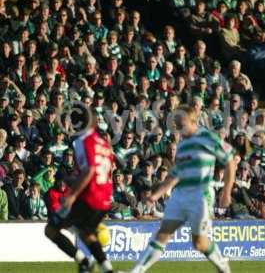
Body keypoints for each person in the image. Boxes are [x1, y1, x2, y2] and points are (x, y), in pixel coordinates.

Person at [130, 105, 235, 273]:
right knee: (163, 233)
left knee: (199, 243)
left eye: (180, 120)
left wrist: (227, 191)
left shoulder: (207, 137)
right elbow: (176, 174)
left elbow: (230, 161)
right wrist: (155, 195)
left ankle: (223, 267)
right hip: (180, 195)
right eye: (176, 120)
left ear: (192, 120)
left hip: (201, 196)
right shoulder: (182, 144)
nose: (177, 123)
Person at [44, 110, 116, 273]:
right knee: (86, 233)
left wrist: (72, 196)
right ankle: (107, 269)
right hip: (104, 199)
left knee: (50, 230)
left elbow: (89, 170)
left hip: (89, 198)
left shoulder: (83, 141)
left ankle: (84, 262)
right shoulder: (104, 144)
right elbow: (104, 172)